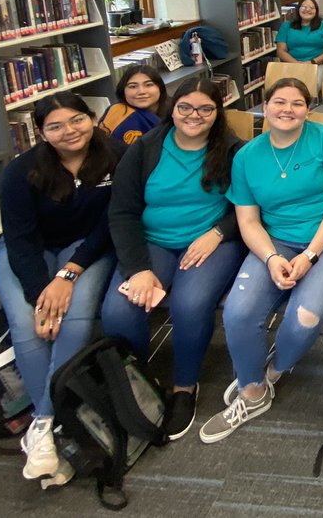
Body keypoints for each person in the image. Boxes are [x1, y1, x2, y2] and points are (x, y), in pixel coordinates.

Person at [199, 78, 323, 443]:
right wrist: (272, 257)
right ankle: (252, 392)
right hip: (275, 240)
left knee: (304, 317)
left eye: (297, 103)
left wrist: (310, 255)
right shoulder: (246, 156)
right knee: (238, 313)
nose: (287, 109)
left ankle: (274, 369)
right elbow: (247, 220)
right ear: (265, 105)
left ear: (309, 108)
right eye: (278, 102)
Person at [103, 77, 246, 440]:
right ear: (172, 107)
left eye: (205, 109)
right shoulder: (145, 148)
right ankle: (136, 384)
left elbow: (248, 208)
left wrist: (217, 233)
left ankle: (184, 387)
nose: (193, 115)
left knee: (190, 303)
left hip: (211, 241)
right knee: (120, 309)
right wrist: (137, 270)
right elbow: (121, 212)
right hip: (152, 241)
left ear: (217, 113)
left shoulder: (232, 150)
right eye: (185, 107)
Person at [0, 93, 123, 481]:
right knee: (28, 321)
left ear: (92, 117)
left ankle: (43, 424)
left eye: (77, 120)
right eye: (55, 126)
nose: (70, 131)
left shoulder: (116, 155)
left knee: (76, 320)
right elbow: (19, 239)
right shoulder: (21, 171)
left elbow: (111, 223)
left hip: (89, 250)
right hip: (30, 250)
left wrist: (68, 274)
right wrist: (39, 295)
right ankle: (48, 423)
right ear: (41, 132)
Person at [99, 66, 167, 146]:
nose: (141, 91)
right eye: (133, 86)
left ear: (160, 88)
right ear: (123, 90)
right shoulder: (118, 113)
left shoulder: (175, 110)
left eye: (148, 85)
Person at [276, 0, 323, 65]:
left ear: (316, 11)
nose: (307, 10)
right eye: (304, 7)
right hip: (292, 64)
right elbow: (281, 51)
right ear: (298, 9)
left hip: (318, 65)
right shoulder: (286, 26)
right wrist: (297, 64)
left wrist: (313, 62)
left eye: (311, 8)